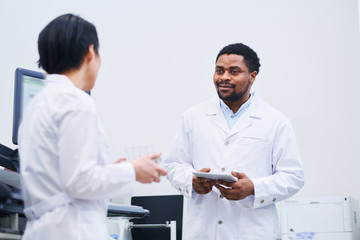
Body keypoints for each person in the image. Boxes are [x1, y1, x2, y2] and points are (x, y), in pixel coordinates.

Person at [18, 13, 167, 240]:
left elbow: (65, 178)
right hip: (70, 230)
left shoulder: (37, 103)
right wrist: (132, 170)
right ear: (90, 52)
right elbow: (80, 182)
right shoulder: (75, 101)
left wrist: (110, 171)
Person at [164, 43, 304, 240]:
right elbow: (173, 165)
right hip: (202, 232)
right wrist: (191, 181)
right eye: (219, 70)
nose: (224, 77)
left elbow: (293, 176)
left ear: (252, 76)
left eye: (234, 71)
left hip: (252, 232)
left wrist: (253, 188)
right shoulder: (193, 117)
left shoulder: (275, 122)